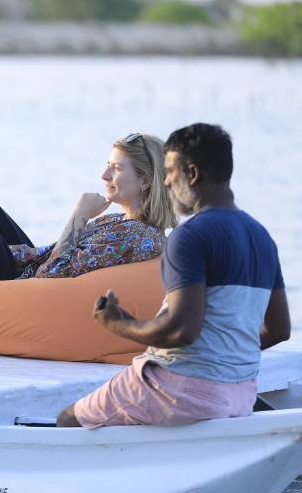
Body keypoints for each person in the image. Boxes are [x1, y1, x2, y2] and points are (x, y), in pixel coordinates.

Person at [58, 123, 291, 428]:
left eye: (170, 172)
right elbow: (279, 329)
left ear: (192, 174)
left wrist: (119, 323)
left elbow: (181, 331)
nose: (166, 182)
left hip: (177, 389)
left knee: (68, 420)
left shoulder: (189, 236)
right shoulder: (261, 238)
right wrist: (223, 357)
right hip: (239, 393)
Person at [0, 132, 178, 343]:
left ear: (145, 180)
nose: (104, 175)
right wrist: (2, 248)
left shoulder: (134, 236)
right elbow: (53, 258)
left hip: (24, 292)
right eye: (107, 165)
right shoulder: (121, 222)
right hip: (29, 276)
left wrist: (79, 215)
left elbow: (50, 277)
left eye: (116, 168)